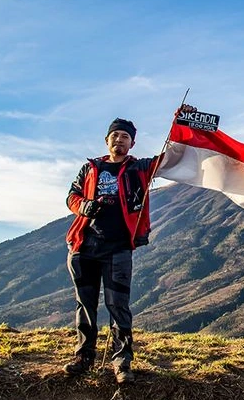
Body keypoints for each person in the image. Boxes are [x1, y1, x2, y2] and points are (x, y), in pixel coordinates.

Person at [62, 117, 162, 384]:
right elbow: (71, 196)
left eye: (125, 137)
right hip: (84, 246)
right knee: (85, 304)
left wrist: (181, 123)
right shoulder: (90, 168)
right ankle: (83, 357)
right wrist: (84, 206)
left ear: (132, 143)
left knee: (118, 306)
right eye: (115, 135)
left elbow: (170, 158)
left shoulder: (140, 168)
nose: (119, 140)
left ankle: (122, 363)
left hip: (118, 248)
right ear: (107, 140)